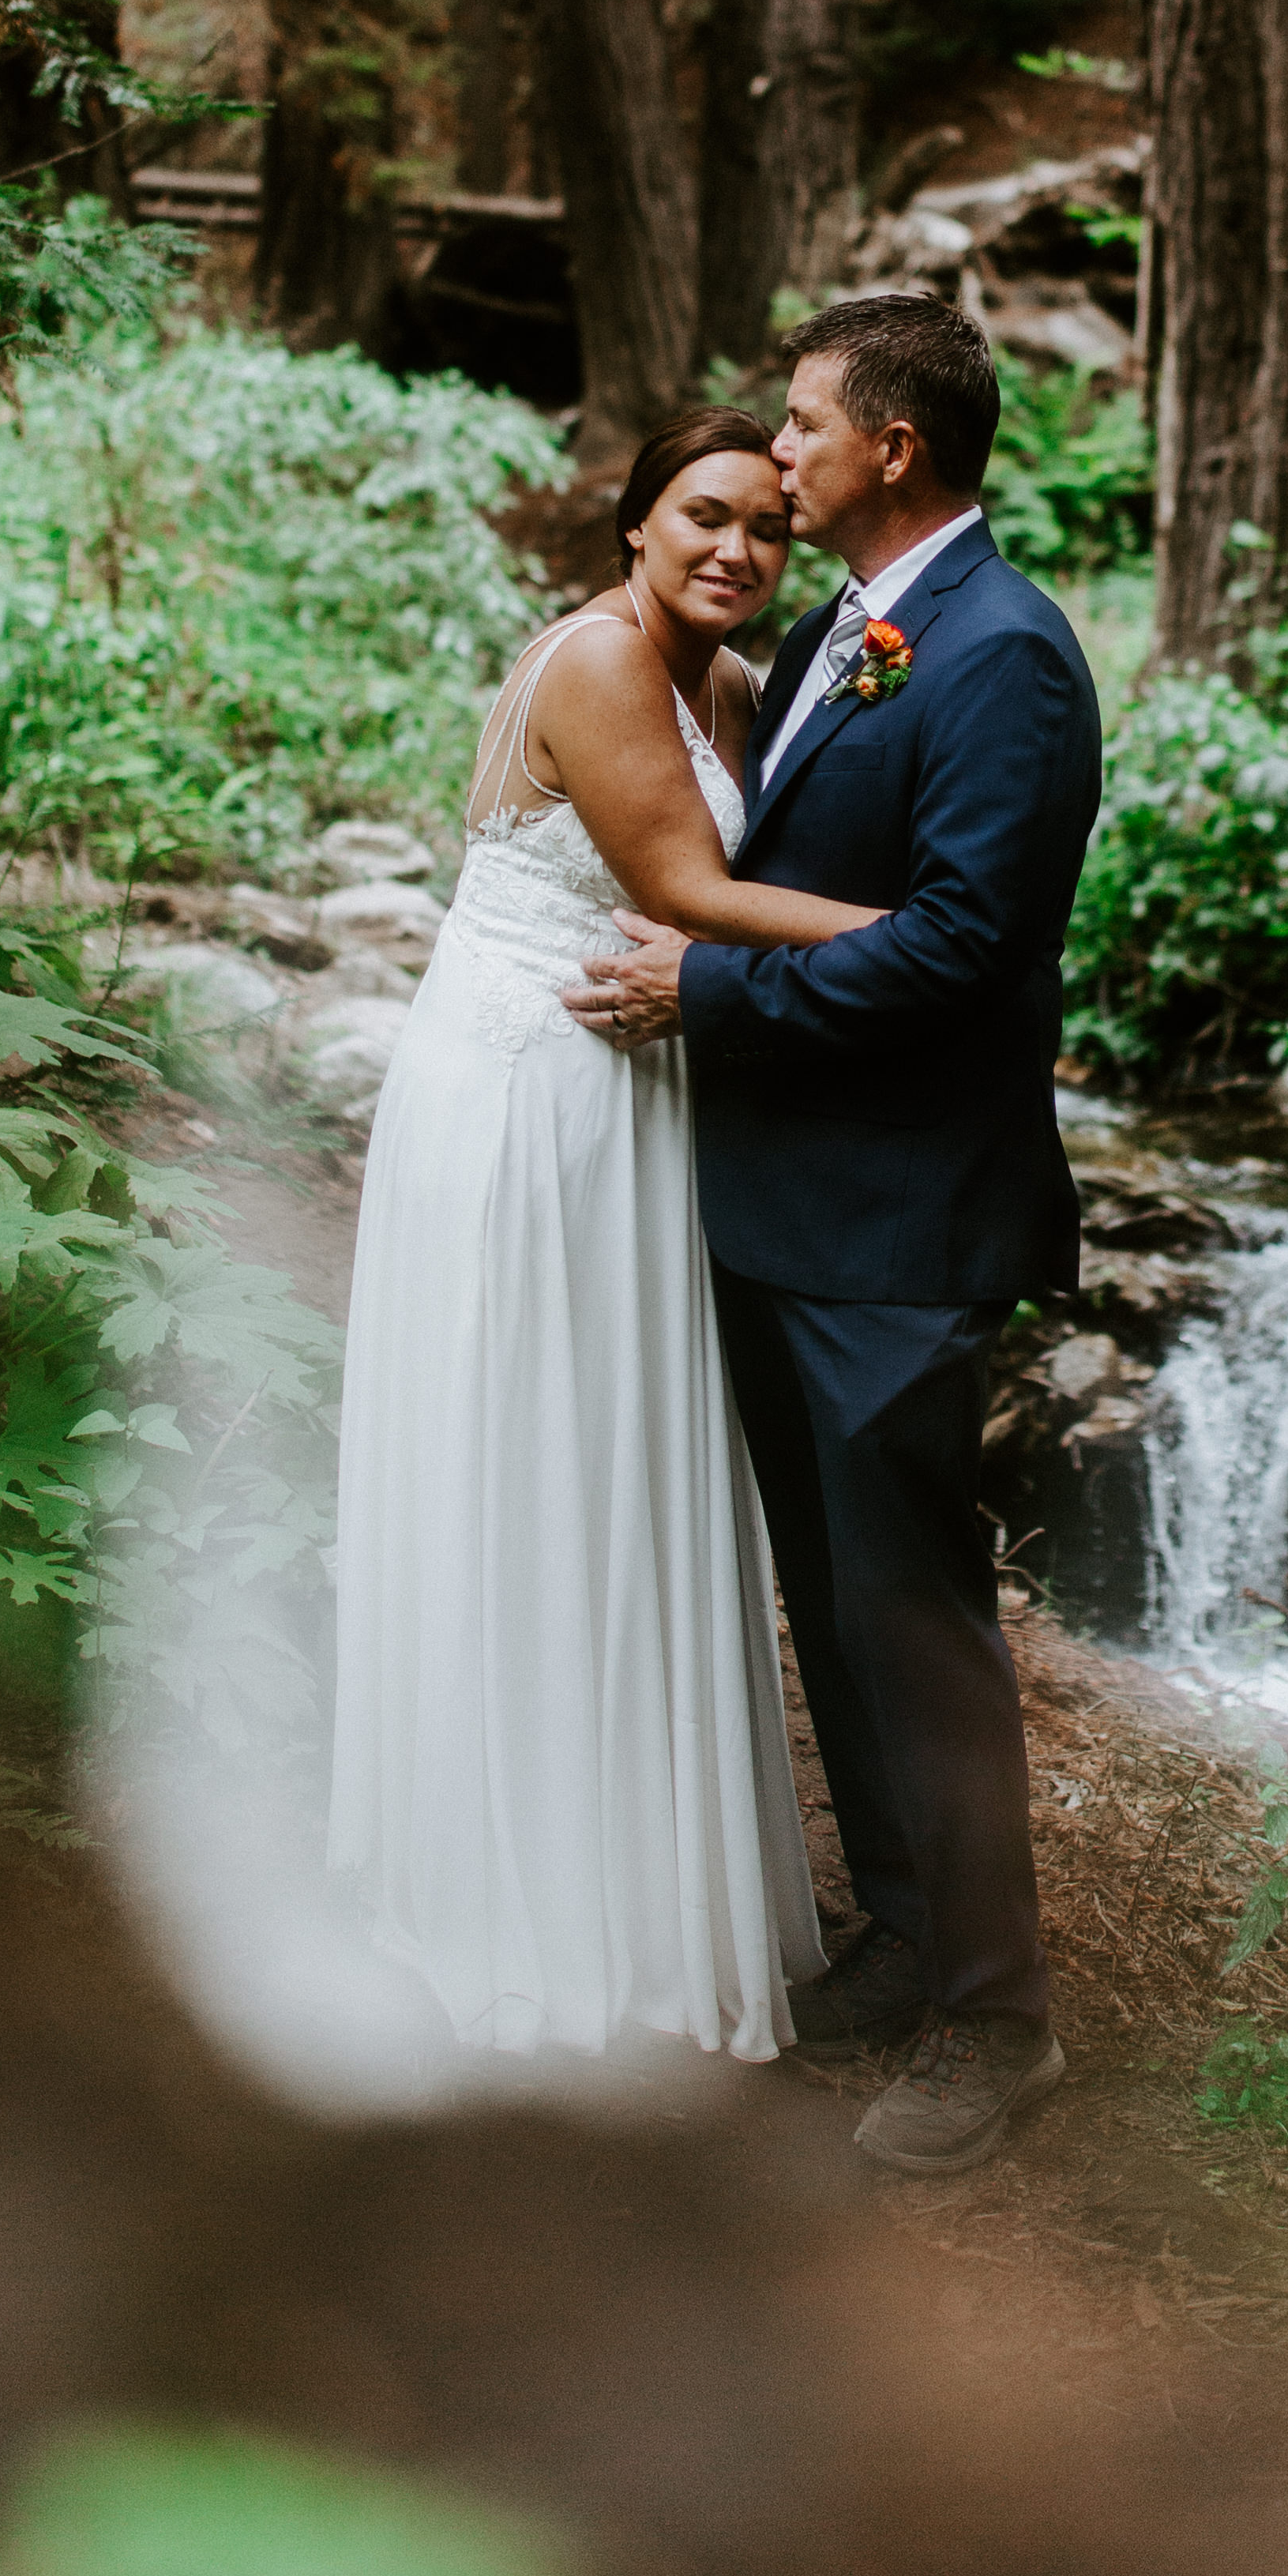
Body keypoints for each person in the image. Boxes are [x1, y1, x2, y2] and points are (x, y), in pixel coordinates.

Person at [568, 298, 1105, 2179]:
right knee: (830, 1604)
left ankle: (998, 2021)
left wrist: (712, 1001)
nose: (776, 455)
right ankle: (901, 1927)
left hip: (900, 1225)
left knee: (915, 1621)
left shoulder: (1005, 656)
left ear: (892, 448)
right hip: (784, 1209)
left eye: (804, 427)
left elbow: (967, 951)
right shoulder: (842, 630)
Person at [328, 412, 888, 2065]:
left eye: (766, 531)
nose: (736, 550)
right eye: (703, 518)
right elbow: (685, 887)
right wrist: (927, 943)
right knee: (529, 1468)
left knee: (620, 1471)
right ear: (634, 526)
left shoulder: (721, 679)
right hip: (528, 1102)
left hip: (639, 1098)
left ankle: (631, 1871)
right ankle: (513, 1898)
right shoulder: (593, 662)